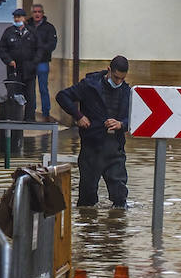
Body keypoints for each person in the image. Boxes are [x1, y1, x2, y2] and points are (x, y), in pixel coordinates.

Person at [56, 56, 132, 209]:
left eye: (122, 79)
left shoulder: (127, 91)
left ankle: (116, 228)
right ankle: (88, 227)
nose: (118, 82)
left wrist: (122, 124)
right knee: (87, 198)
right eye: (116, 77)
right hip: (92, 147)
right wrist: (79, 116)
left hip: (115, 148)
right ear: (109, 70)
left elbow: (134, 117)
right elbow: (62, 96)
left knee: (120, 196)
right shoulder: (90, 85)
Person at [0, 8, 38, 118]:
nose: (17, 19)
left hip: (29, 70)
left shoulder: (32, 32)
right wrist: (8, 60)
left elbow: (39, 50)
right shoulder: (9, 32)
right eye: (15, 17)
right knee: (14, 94)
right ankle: (14, 116)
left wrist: (34, 63)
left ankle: (29, 118)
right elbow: (1, 49)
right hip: (14, 70)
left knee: (30, 95)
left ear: (24, 18)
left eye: (19, 17)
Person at [27, 3, 58, 121]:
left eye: (39, 12)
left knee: (43, 88)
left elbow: (52, 44)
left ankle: (46, 113)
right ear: (32, 13)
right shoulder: (27, 26)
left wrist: (40, 50)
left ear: (43, 13)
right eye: (35, 12)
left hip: (43, 62)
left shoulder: (49, 28)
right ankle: (30, 112)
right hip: (29, 62)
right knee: (29, 88)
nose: (37, 14)